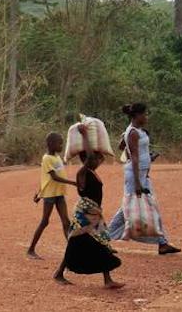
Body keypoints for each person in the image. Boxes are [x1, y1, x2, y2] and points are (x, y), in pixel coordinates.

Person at [53, 124, 124, 289]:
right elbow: (90, 156)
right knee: (81, 243)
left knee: (102, 241)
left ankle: (107, 279)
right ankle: (59, 273)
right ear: (88, 159)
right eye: (97, 159)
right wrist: (85, 135)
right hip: (85, 213)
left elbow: (91, 157)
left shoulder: (91, 173)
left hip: (93, 212)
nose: (99, 161)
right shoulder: (83, 172)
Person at [108, 103, 181, 255]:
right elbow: (133, 157)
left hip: (141, 175)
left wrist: (148, 158)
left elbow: (125, 149)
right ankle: (103, 239)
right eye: (144, 114)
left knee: (141, 207)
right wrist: (137, 183)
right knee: (127, 210)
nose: (146, 117)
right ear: (137, 116)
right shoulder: (133, 132)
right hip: (136, 176)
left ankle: (162, 243)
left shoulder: (137, 131)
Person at [27, 132, 75, 260]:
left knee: (66, 222)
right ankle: (31, 249)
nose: (62, 145)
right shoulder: (47, 158)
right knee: (45, 221)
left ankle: (73, 252)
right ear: (51, 144)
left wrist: (38, 192)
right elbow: (52, 177)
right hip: (50, 195)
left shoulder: (57, 157)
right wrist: (73, 183)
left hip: (59, 193)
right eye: (60, 143)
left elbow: (45, 177)